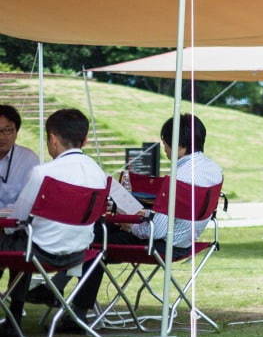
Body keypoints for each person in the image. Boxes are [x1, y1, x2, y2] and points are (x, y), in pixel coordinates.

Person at [66, 115, 222, 326]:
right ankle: (68, 302)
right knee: (99, 234)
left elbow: (157, 231)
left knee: (92, 235)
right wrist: (147, 216)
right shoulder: (213, 170)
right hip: (187, 240)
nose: (165, 150)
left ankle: (74, 310)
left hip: (163, 244)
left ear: (177, 144)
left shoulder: (179, 177)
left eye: (165, 143)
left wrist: (130, 225)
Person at [0, 109, 108, 337]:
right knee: (24, 240)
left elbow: (16, 221)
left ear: (53, 139)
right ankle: (13, 318)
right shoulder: (99, 174)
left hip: (39, 253)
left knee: (18, 240)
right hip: (78, 253)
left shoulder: (43, 173)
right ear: (85, 139)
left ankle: (13, 320)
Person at [0, 105, 40, 210]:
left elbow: (29, 202)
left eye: (7, 130)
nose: (1, 137)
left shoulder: (29, 160)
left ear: (16, 132)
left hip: (15, 222)